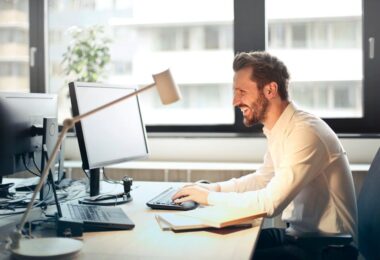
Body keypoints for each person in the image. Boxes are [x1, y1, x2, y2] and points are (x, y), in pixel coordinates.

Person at [172, 51, 358, 259]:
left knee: (226, 255)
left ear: (270, 90)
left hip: (328, 249)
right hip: (298, 237)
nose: (235, 101)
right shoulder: (281, 128)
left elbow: (270, 204)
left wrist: (208, 198)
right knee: (215, 243)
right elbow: (263, 179)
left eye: (242, 91)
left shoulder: (305, 132)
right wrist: (213, 189)